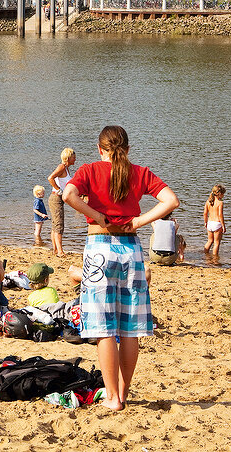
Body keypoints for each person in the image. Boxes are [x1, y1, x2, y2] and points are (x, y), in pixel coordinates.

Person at [62, 125, 179, 411]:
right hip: (131, 250)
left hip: (99, 248)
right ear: (127, 149)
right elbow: (171, 201)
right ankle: (124, 392)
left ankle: (112, 397)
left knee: (104, 328)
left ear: (100, 149)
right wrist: (139, 221)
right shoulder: (139, 172)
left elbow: (68, 195)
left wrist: (98, 216)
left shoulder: (90, 170)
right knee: (129, 329)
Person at [47, 148, 76, 257]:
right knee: (58, 224)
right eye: (74, 157)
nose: (75, 159)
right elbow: (50, 178)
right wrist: (58, 189)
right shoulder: (62, 167)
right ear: (68, 158)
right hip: (56, 198)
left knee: (56, 224)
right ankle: (59, 251)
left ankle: (55, 250)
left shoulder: (67, 169)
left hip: (58, 199)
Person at [203, 185, 226, 256]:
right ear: (220, 194)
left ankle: (205, 254)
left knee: (210, 241)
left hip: (210, 223)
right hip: (217, 224)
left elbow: (205, 213)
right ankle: (215, 258)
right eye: (223, 194)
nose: (223, 196)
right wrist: (223, 226)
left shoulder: (208, 202)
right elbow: (220, 215)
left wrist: (205, 222)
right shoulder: (220, 203)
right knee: (216, 242)